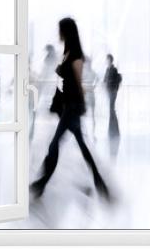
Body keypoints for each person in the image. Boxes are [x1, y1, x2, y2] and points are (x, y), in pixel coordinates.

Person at [30, 17, 110, 200]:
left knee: (54, 144)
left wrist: (80, 106)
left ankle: (41, 184)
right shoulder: (66, 53)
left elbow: (77, 82)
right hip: (66, 106)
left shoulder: (75, 55)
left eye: (60, 29)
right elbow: (62, 82)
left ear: (66, 31)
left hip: (72, 107)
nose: (58, 33)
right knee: (81, 146)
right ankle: (99, 181)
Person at [104, 54, 121, 138]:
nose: (106, 61)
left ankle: (114, 130)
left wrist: (113, 87)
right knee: (111, 110)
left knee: (112, 109)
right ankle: (113, 129)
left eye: (107, 59)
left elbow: (115, 80)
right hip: (109, 91)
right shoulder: (107, 69)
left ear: (110, 60)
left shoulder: (114, 69)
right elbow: (104, 80)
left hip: (113, 92)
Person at [82, 56, 98, 133]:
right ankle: (85, 130)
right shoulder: (85, 72)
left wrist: (93, 87)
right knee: (85, 113)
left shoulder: (91, 72)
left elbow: (97, 79)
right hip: (87, 94)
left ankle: (92, 130)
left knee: (92, 113)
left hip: (90, 94)